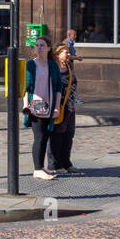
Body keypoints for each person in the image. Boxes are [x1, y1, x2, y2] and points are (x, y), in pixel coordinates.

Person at [22, 36, 63, 180]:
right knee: (39, 137)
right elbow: (26, 87)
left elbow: (58, 87)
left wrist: (57, 107)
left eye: (42, 45)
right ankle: (37, 169)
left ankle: (40, 167)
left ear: (48, 48)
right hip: (35, 106)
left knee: (45, 138)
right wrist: (26, 105)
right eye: (37, 45)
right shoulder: (30, 65)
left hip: (49, 107)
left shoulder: (53, 65)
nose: (39, 48)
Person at [47, 43, 78, 175]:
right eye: (66, 52)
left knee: (68, 135)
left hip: (70, 107)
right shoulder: (52, 68)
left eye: (69, 52)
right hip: (58, 107)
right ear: (57, 54)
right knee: (56, 136)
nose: (68, 54)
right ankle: (54, 164)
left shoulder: (69, 66)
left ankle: (66, 162)